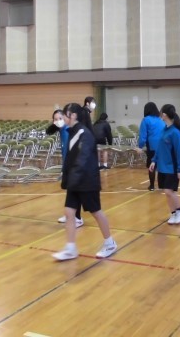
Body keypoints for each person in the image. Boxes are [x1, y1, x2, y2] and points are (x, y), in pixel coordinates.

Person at [52, 103, 117, 261]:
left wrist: (72, 178)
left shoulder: (84, 134)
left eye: (65, 114)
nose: (63, 118)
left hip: (87, 181)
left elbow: (82, 159)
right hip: (75, 182)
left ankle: (110, 243)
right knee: (69, 212)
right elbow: (71, 159)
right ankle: (70, 248)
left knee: (96, 212)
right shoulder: (72, 131)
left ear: (73, 115)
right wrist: (67, 178)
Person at [149, 104, 180, 224]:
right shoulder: (164, 130)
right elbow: (159, 148)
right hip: (162, 167)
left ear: (164, 115)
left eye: (161, 113)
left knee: (169, 191)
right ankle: (173, 213)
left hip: (172, 167)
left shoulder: (175, 132)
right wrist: (154, 160)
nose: (160, 115)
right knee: (166, 192)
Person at [47, 109, 84, 228]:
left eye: (60, 118)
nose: (58, 121)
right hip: (67, 165)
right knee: (70, 192)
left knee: (75, 192)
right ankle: (70, 215)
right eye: (55, 119)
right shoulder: (61, 130)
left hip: (74, 165)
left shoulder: (69, 130)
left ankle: (78, 218)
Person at [137, 102, 166, 191]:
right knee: (161, 165)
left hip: (152, 146)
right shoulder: (161, 120)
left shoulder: (146, 120)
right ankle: (162, 185)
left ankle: (152, 186)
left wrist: (140, 147)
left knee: (152, 165)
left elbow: (143, 136)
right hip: (163, 146)